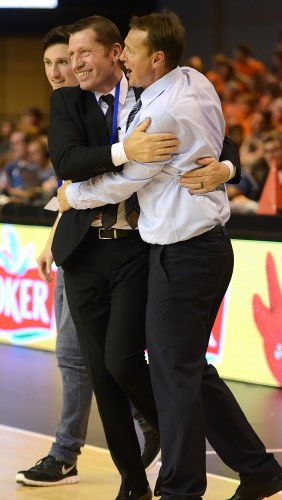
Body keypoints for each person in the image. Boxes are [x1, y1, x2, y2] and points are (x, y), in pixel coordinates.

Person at [56, 12, 282, 500]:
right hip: (184, 248)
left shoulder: (164, 110)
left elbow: (127, 180)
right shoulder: (192, 79)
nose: (123, 59)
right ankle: (259, 469)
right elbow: (214, 140)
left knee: (174, 370)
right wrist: (222, 165)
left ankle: (181, 488)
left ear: (155, 58)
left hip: (186, 251)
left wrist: (71, 198)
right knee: (185, 368)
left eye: (128, 52)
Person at [15, 24, 161, 489]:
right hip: (80, 252)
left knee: (121, 359)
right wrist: (123, 151)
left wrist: (227, 166)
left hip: (136, 247)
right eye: (60, 59)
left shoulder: (147, 91)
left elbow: (210, 134)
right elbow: (67, 166)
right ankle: (131, 482)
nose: (69, 67)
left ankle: (156, 419)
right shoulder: (66, 103)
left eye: (79, 55)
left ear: (115, 53)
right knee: (90, 365)